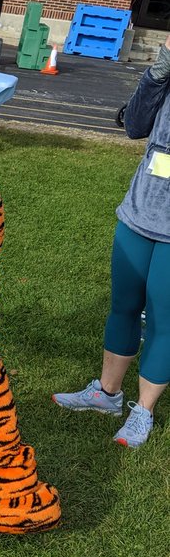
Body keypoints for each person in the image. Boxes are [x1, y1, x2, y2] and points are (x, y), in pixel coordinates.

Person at [53, 32, 170, 447]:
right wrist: (158, 73)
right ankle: (106, 394)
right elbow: (135, 126)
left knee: (162, 323)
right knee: (123, 307)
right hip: (138, 215)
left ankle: (144, 412)